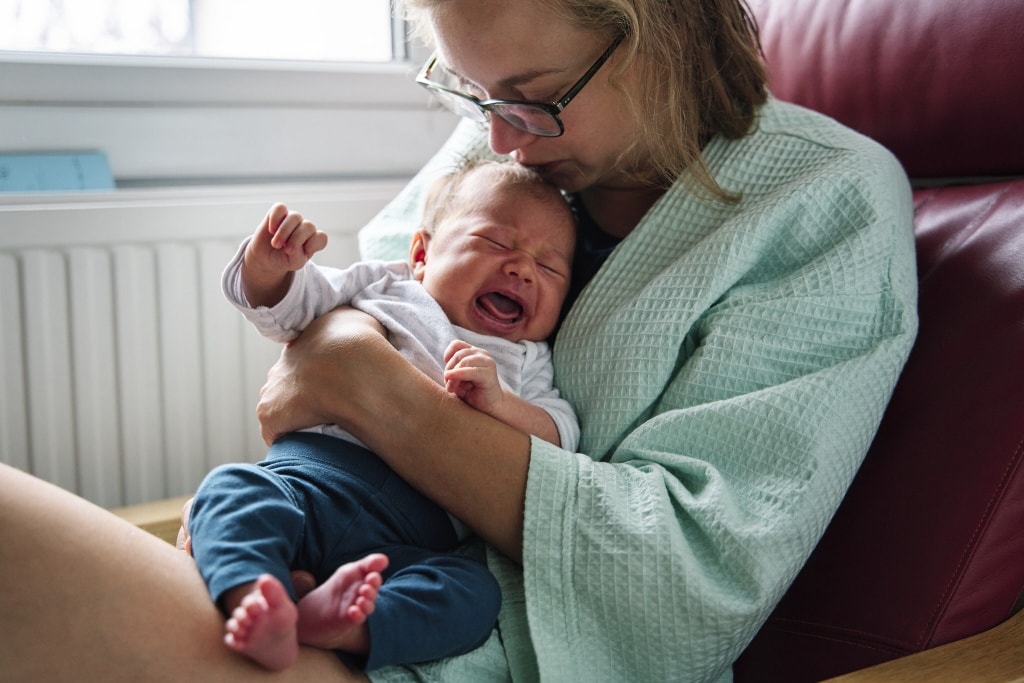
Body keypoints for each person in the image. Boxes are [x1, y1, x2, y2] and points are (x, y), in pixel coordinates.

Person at [0, 1, 918, 681]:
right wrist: (338, 370)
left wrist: (372, 388)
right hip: (308, 555)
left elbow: (685, 580)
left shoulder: (823, 202)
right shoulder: (499, 145)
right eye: (472, 95)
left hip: (462, 644)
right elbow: (324, 346)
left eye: (533, 98)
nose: (499, 142)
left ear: (664, 33)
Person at [186, 158, 580, 671]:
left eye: (549, 268)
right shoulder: (385, 288)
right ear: (421, 253)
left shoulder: (526, 361)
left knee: (472, 595)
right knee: (230, 490)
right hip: (307, 484)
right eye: (496, 243)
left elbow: (561, 433)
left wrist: (502, 404)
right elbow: (290, 306)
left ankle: (348, 623)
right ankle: (257, 599)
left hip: (406, 542)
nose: (522, 269)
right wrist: (268, 268)